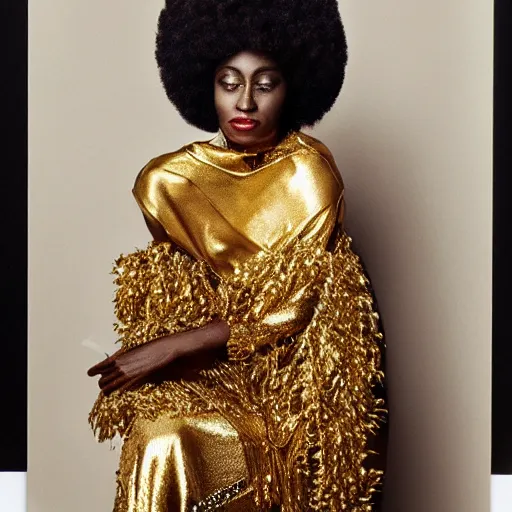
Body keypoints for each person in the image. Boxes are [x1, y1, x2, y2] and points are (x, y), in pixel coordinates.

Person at [87, 1, 388, 510]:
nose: (245, 102)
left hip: (295, 382)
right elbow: (186, 293)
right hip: (216, 370)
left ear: (290, 89)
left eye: (264, 84)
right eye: (230, 83)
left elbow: (292, 309)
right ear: (206, 86)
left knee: (177, 439)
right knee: (154, 434)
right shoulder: (169, 182)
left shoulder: (308, 174)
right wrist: (166, 348)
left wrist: (172, 347)